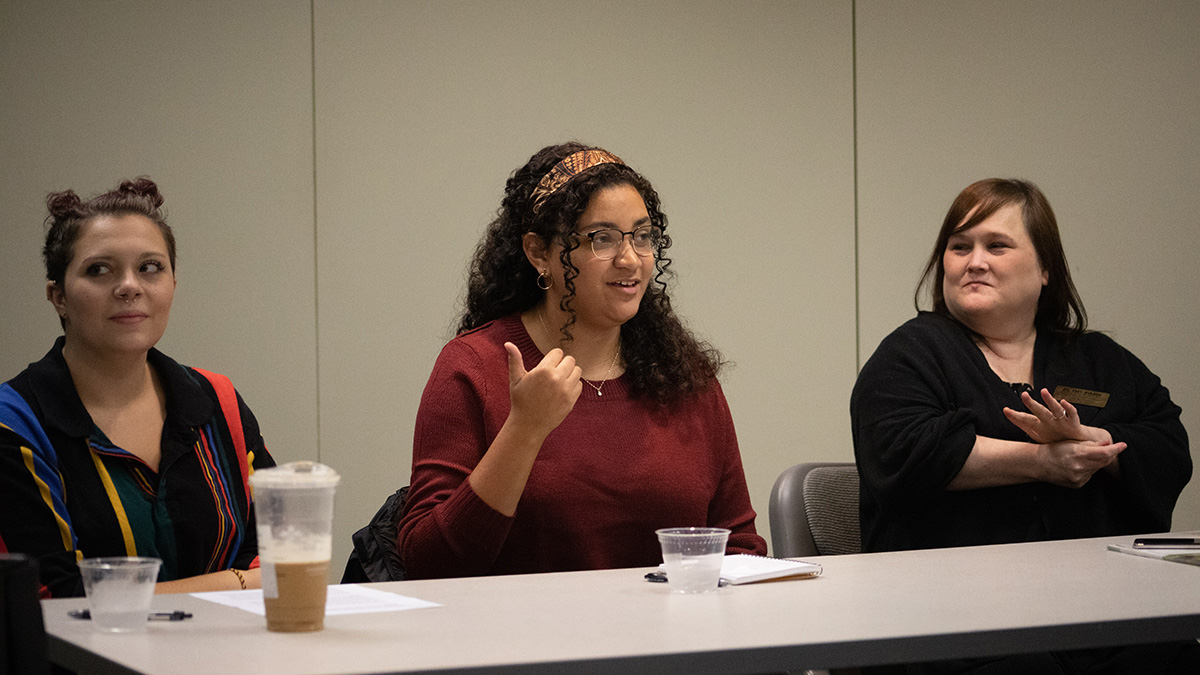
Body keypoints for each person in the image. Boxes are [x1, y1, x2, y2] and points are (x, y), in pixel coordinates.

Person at [852, 178, 1196, 674]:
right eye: (958, 247)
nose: (974, 262)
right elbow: (902, 452)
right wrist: (1042, 462)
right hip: (952, 629)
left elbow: (1166, 444)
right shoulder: (911, 354)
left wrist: (1098, 444)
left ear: (1045, 269)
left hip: (1100, 621)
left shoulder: (1097, 359)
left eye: (997, 246)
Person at [397, 143, 766, 579]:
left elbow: (740, 548)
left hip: (671, 638)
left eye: (642, 236)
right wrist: (525, 429)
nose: (630, 259)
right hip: (523, 641)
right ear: (539, 253)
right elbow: (429, 563)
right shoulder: (473, 367)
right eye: (601, 239)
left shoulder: (684, 378)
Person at [0, 177, 274, 598]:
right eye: (99, 269)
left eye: (150, 267)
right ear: (58, 297)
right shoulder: (15, 421)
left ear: (173, 286)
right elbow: (62, 595)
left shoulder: (217, 400)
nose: (130, 286)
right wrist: (235, 583)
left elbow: (282, 557)